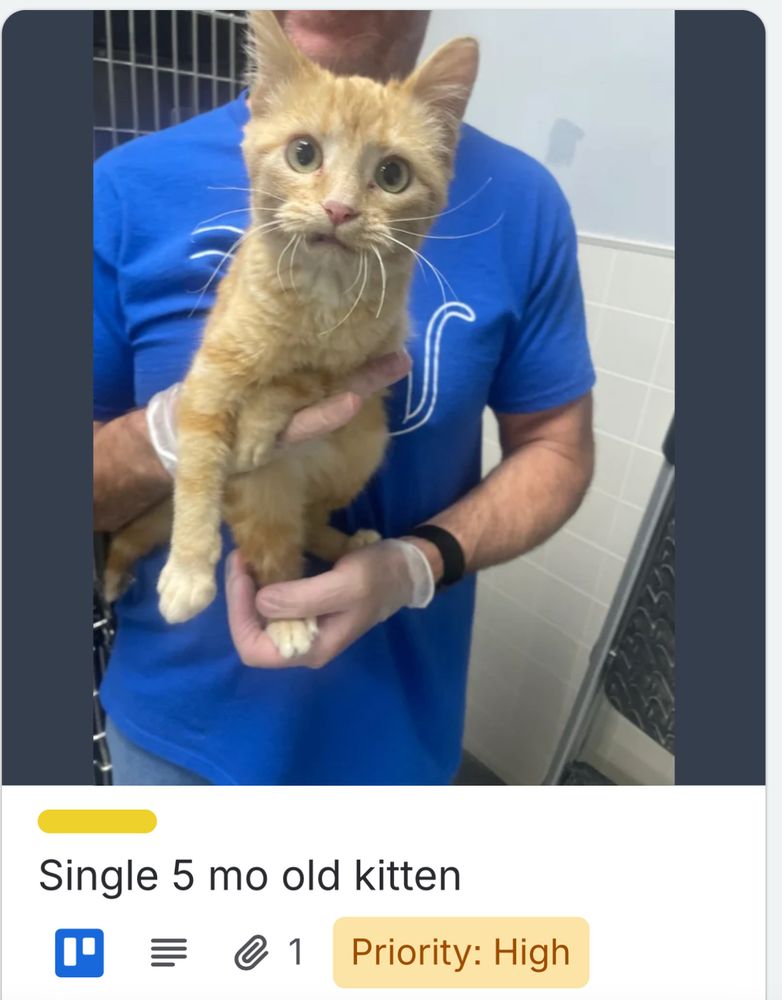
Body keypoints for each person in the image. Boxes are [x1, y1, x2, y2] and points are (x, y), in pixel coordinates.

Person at [93, 10, 595, 785]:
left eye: (389, 173)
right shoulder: (120, 187)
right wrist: (170, 433)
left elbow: (558, 446)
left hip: (396, 745)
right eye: (304, 155)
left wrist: (416, 565)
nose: (338, 203)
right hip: (176, 740)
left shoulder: (528, 204)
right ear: (262, 106)